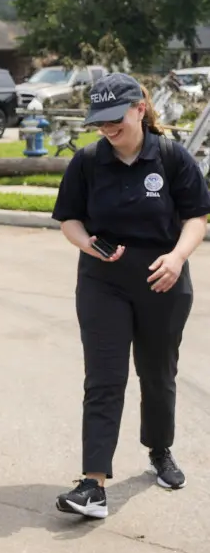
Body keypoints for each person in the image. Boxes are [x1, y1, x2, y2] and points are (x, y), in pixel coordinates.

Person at [52, 73, 210, 518]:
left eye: (114, 118)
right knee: (104, 378)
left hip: (164, 280)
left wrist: (177, 258)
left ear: (140, 108)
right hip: (103, 280)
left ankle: (160, 450)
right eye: (98, 120)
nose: (106, 128)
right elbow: (69, 219)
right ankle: (93, 484)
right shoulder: (87, 162)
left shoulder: (172, 157)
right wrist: (86, 242)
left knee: (157, 373)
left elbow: (197, 217)